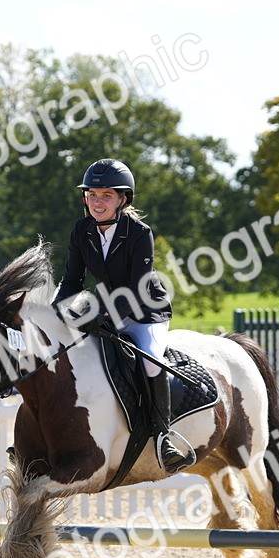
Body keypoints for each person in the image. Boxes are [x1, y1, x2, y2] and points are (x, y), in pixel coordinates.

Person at [52, 157, 191, 473]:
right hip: (106, 308)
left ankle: (164, 437)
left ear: (123, 199)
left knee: (149, 365)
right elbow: (71, 281)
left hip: (146, 312)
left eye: (106, 195)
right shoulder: (82, 230)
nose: (97, 202)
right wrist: (56, 312)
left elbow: (136, 288)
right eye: (92, 195)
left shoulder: (140, 233)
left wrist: (103, 318)